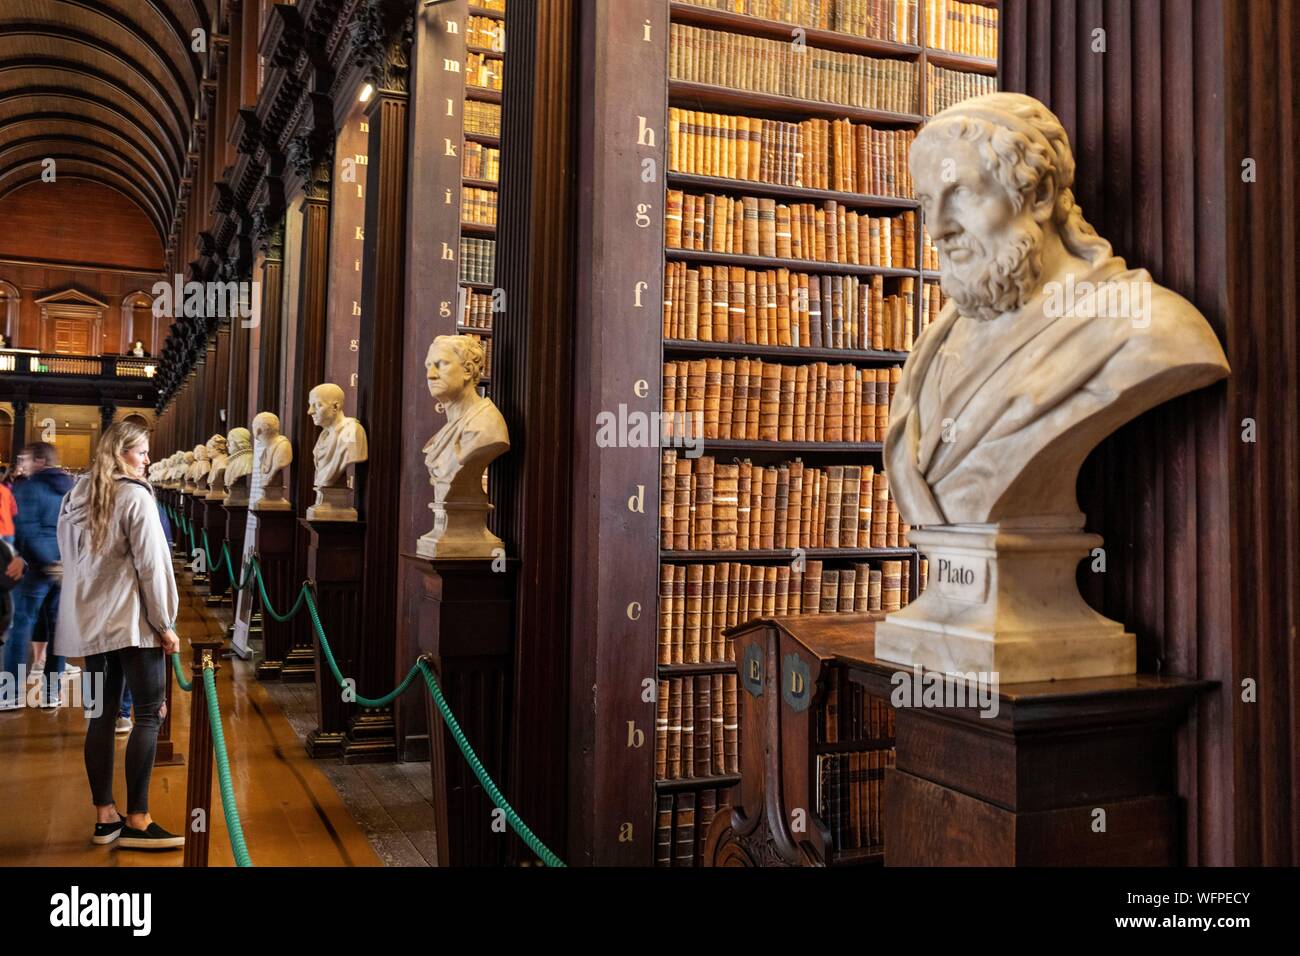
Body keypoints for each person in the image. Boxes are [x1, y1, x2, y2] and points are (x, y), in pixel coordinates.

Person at [55, 420, 183, 849]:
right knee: (149, 713)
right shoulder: (135, 497)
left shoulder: (75, 497)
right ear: (121, 452)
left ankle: (105, 816)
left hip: (92, 624)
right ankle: (139, 821)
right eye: (142, 451)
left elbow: (70, 564)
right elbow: (152, 566)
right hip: (133, 623)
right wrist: (165, 623)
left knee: (100, 718)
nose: (147, 459)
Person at [1, 443, 74, 710]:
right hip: (63, 569)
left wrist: (46, 562)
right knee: (58, 631)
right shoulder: (71, 487)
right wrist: (64, 563)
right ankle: (52, 692)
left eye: (26, 458)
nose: (23, 463)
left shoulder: (30, 487)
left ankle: (10, 694)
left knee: (20, 627)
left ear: (40, 461)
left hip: (34, 569)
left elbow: (27, 530)